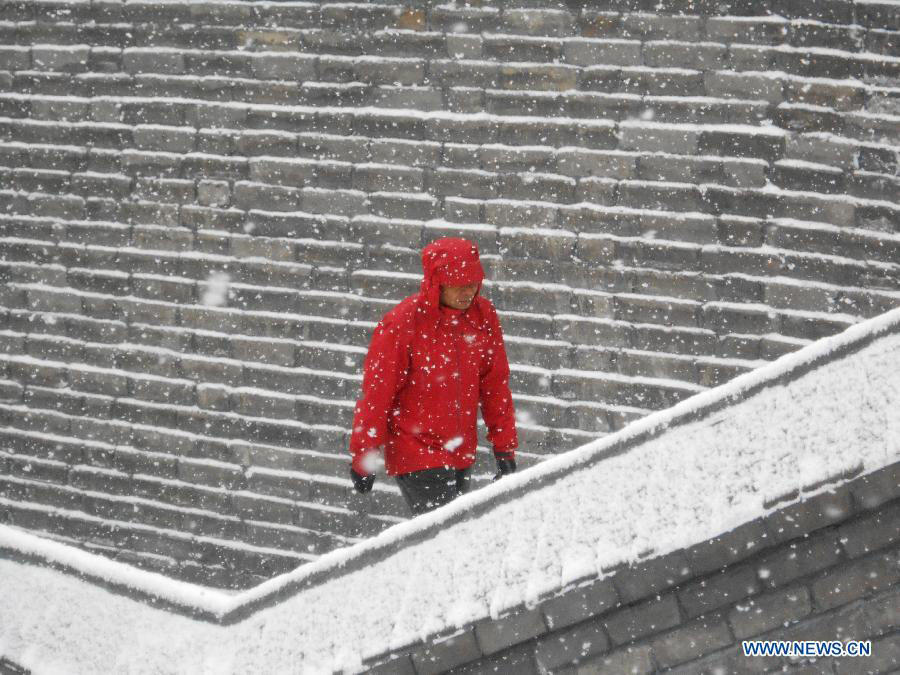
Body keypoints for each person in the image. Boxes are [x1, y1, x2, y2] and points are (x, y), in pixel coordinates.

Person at [347, 237, 519, 515]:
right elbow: (377, 396)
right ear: (436, 283)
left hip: (461, 450)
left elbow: (494, 385)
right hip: (416, 452)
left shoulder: (482, 315)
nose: (468, 292)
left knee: (455, 535)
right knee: (448, 535)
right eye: (458, 286)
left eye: (473, 284)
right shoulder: (402, 324)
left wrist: (505, 449)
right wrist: (364, 458)